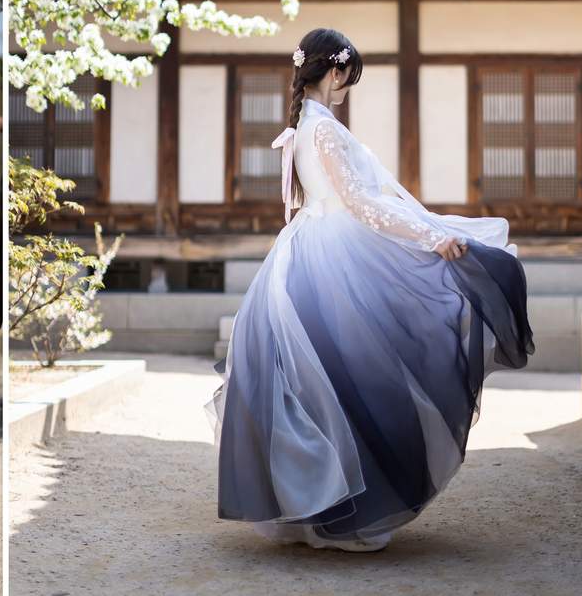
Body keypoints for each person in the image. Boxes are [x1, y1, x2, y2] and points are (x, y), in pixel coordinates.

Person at [206, 28, 534, 552]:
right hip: (337, 251)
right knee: (360, 374)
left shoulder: (301, 127)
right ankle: (345, 510)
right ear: (333, 72)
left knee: (322, 382)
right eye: (346, 78)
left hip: (301, 253)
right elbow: (360, 204)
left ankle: (312, 507)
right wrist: (431, 235)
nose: (346, 89)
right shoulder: (324, 130)